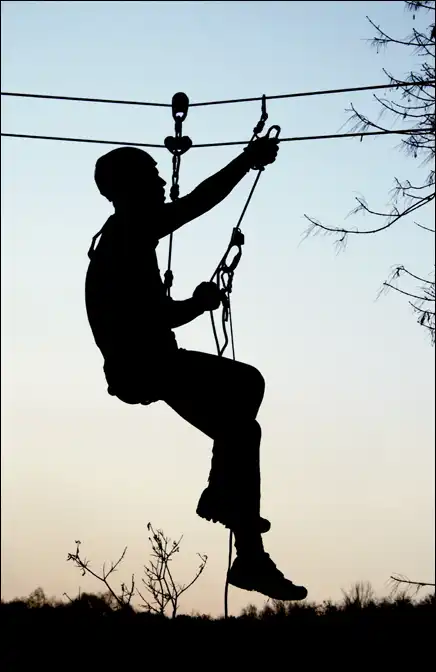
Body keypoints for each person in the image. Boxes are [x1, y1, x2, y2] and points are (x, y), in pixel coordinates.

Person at [85, 139, 307, 601]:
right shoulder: (129, 230)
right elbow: (197, 203)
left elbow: (149, 314)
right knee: (246, 388)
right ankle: (223, 502)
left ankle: (247, 550)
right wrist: (246, 160)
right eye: (152, 175)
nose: (161, 183)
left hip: (145, 366)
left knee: (241, 430)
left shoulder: (118, 240)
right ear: (128, 187)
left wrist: (194, 304)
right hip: (148, 366)